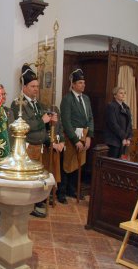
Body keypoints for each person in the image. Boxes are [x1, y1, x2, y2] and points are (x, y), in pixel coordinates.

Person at [11, 65, 65, 212]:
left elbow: (44, 126)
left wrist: (51, 123)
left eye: (37, 86)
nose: (36, 89)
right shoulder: (17, 104)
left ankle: (35, 202)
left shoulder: (38, 104)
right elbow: (24, 125)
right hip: (27, 147)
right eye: (33, 86)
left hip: (40, 147)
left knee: (37, 178)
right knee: (27, 179)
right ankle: (26, 204)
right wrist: (43, 121)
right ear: (24, 87)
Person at [59, 69, 94, 204]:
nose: (83, 85)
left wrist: (89, 136)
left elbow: (90, 117)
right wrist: (75, 140)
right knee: (67, 164)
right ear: (73, 84)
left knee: (78, 164)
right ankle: (61, 192)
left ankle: (72, 190)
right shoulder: (67, 99)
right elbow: (66, 122)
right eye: (80, 83)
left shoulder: (86, 98)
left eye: (84, 82)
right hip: (70, 137)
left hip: (84, 136)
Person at [104, 87, 133, 158]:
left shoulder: (126, 107)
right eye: (121, 93)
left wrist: (129, 138)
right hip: (114, 141)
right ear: (115, 95)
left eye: (124, 93)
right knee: (113, 164)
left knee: (122, 164)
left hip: (125, 141)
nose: (123, 95)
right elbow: (113, 124)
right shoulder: (111, 106)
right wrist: (123, 137)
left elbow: (129, 124)